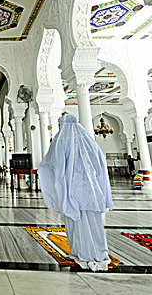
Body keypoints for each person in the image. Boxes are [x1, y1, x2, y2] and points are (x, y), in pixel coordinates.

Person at [39, 114, 114, 271]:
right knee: (93, 222)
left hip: (72, 189)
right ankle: (98, 252)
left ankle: (81, 252)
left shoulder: (61, 140)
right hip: (91, 190)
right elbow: (100, 163)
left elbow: (53, 164)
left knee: (76, 222)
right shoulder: (88, 140)